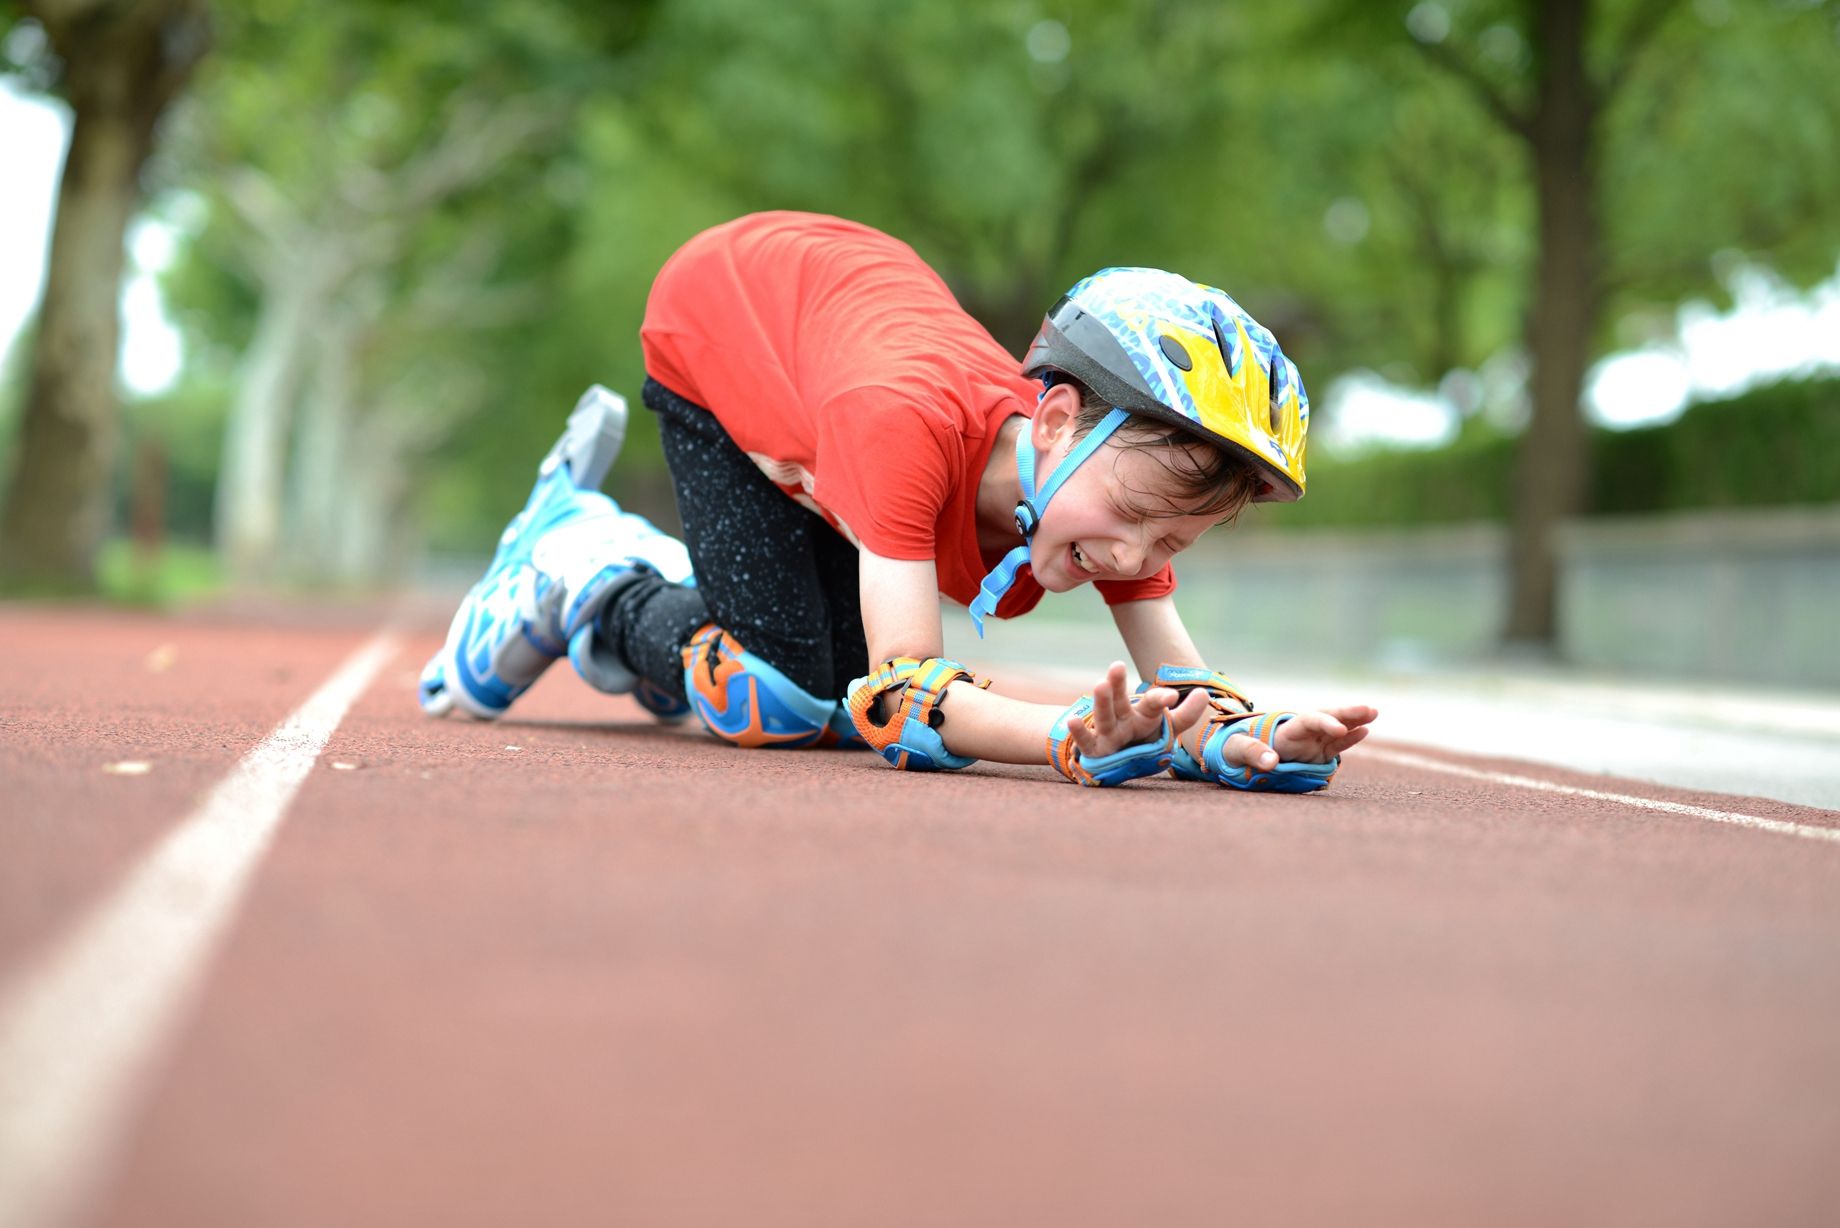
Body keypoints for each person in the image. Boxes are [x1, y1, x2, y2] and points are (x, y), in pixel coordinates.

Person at [419, 211, 1376, 790]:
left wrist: (1250, 742)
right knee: (788, 698)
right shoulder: (904, 425)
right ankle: (583, 567)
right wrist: (1068, 740)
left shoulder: (1110, 487)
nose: (1134, 559)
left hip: (836, 354)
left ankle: (661, 576)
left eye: (1174, 540)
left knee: (826, 693)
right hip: (725, 324)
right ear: (1053, 422)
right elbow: (903, 699)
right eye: (1134, 524)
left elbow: (1181, 687)